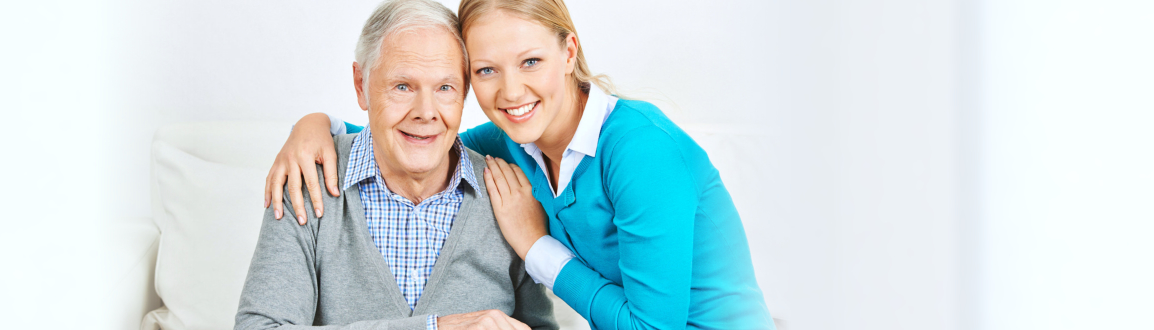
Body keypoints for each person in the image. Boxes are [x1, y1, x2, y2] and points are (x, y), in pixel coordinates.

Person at [263, 0, 775, 329]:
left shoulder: (641, 149)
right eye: (486, 70)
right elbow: (417, 134)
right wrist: (313, 125)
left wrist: (535, 246)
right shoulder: (511, 141)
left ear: (569, 50)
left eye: (530, 61)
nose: (510, 92)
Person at [234, 1, 555, 330]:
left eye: (445, 88)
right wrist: (435, 328)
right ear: (361, 85)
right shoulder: (308, 180)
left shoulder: (507, 196)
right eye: (403, 87)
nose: (425, 112)